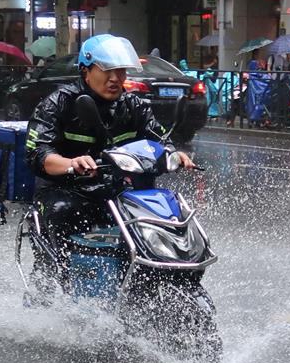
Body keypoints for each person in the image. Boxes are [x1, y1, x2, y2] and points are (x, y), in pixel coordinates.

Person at [24, 34, 195, 294]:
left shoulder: (133, 104)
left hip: (116, 189)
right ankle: (60, 283)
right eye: (107, 70)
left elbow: (156, 137)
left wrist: (173, 153)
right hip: (67, 189)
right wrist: (71, 163)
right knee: (61, 211)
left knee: (164, 215)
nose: (115, 78)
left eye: (121, 71)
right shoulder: (58, 103)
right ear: (85, 71)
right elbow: (38, 153)